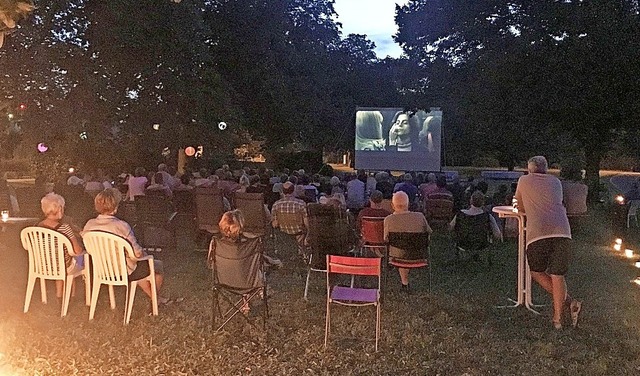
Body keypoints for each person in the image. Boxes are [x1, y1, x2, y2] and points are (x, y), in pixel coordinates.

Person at [514, 156, 581, 330]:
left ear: (529, 169)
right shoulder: (556, 182)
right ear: (545, 168)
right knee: (557, 275)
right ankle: (558, 319)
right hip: (563, 231)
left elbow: (519, 207)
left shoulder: (523, 180)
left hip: (538, 233)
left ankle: (567, 302)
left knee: (536, 272)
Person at [83, 188, 169, 304]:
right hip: (123, 271)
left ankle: (156, 300)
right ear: (116, 207)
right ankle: (155, 302)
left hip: (101, 270)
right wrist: (146, 255)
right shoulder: (121, 226)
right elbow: (137, 253)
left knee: (140, 268)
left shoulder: (89, 225)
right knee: (155, 266)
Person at [38, 193, 85, 300]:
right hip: (63, 266)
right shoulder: (64, 228)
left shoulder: (37, 227)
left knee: (59, 260)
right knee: (77, 258)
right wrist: (83, 250)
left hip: (43, 265)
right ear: (60, 209)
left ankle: (59, 295)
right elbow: (77, 250)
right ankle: (71, 296)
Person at [384, 191, 432, 292]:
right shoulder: (420, 217)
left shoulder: (389, 220)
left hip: (397, 257)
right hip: (419, 254)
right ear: (408, 204)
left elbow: (385, 239)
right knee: (405, 249)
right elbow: (429, 233)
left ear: (392, 205)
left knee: (402, 251)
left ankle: (404, 283)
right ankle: (405, 283)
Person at [271, 182, 308, 255]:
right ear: (293, 191)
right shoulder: (301, 204)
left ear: (282, 192)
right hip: (299, 234)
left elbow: (274, 224)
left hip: (284, 235)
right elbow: (306, 222)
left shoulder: (276, 205)